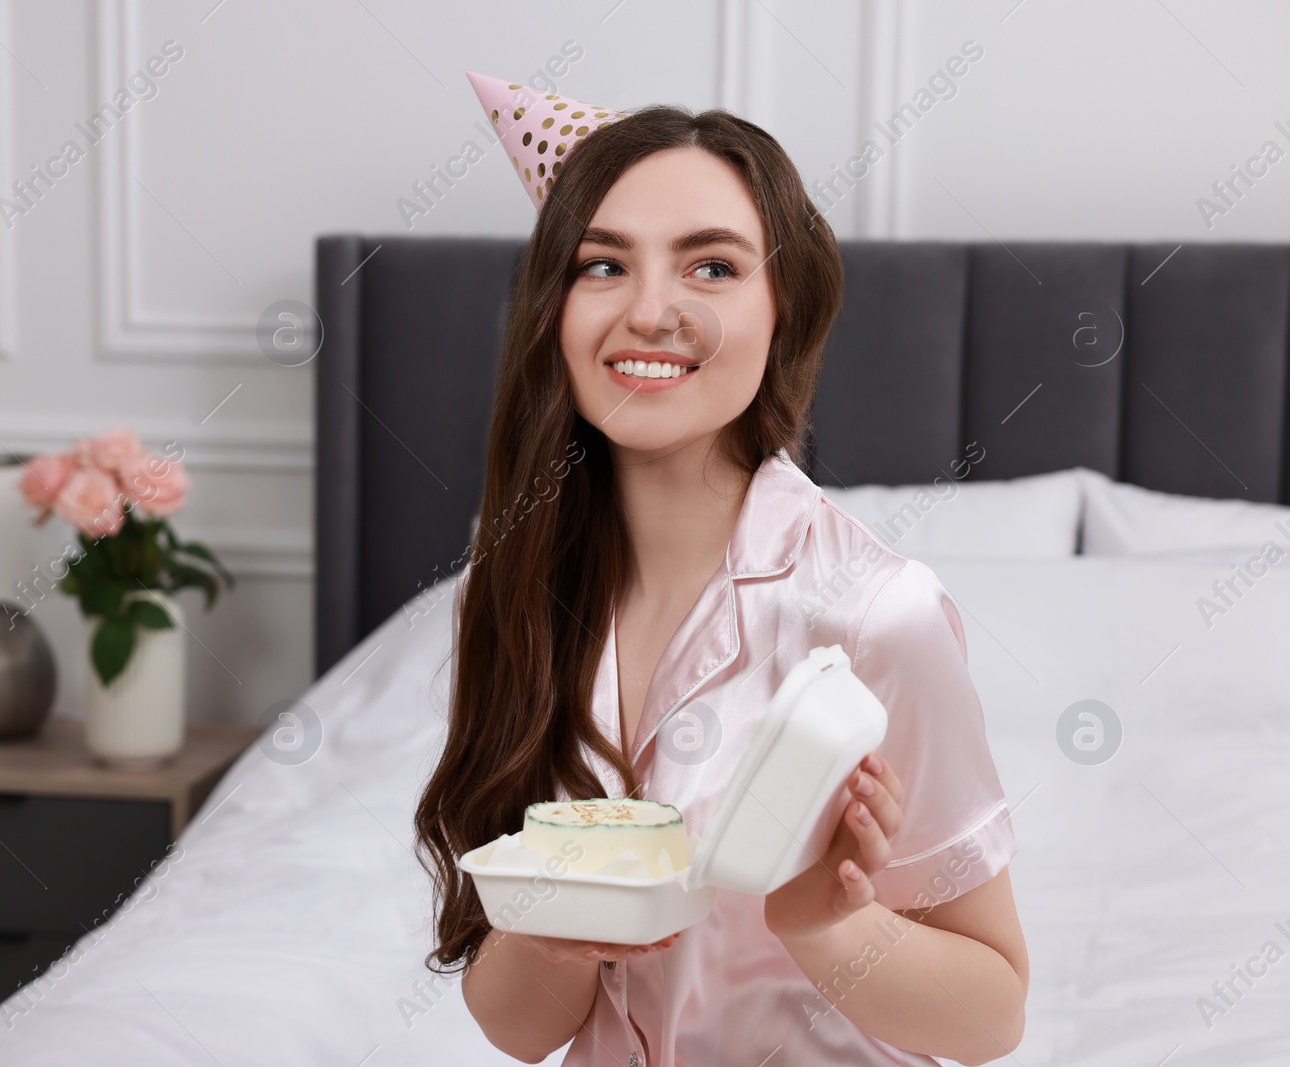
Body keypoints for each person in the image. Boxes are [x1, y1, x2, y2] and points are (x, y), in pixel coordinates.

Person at [414, 77, 1028, 1067]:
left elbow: (993, 1012)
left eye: (710, 265)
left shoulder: (877, 614)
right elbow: (521, 1026)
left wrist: (830, 926)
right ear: (553, 310)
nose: (650, 310)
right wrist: (551, 922)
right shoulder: (517, 590)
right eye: (601, 264)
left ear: (782, 310)